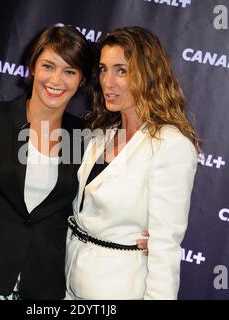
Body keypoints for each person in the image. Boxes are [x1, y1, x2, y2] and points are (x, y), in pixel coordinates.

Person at [0, 25, 148, 300]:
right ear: (32, 67)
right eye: (48, 66)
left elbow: (106, 200)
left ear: (81, 80)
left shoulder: (84, 139)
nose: (56, 80)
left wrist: (145, 236)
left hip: (43, 287)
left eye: (69, 71)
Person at [64, 27, 199, 300]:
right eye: (103, 69)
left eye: (121, 70)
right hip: (70, 287)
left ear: (148, 75)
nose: (107, 82)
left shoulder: (171, 145)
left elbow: (164, 248)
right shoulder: (102, 133)